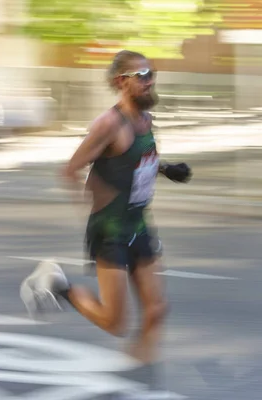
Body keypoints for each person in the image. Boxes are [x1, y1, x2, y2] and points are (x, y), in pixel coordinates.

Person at [19, 50, 192, 365]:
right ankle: (59, 285)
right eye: (142, 75)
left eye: (152, 73)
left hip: (139, 225)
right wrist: (93, 209)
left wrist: (166, 169)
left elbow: (133, 163)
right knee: (116, 323)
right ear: (121, 81)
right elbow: (70, 170)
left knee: (156, 310)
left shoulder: (146, 120)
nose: (150, 80)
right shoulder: (108, 124)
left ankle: (139, 375)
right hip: (110, 232)